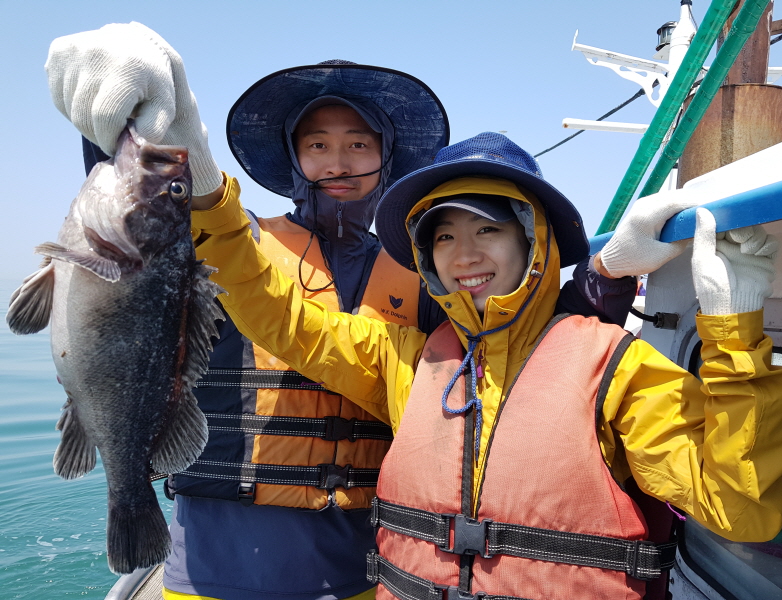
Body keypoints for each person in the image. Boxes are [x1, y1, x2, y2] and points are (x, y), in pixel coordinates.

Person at [46, 23, 643, 600]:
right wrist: (116, 114)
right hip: (207, 569)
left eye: (359, 144)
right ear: (294, 159)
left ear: (387, 156)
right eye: (318, 145)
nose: (338, 162)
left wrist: (606, 276)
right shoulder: (240, 242)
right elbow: (139, 243)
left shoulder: (431, 273)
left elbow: (523, 354)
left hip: (357, 574)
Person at [181, 130, 782, 600]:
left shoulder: (614, 366)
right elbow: (277, 312)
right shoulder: (406, 359)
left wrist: (734, 331)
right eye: (442, 236)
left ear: (533, 240)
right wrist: (206, 189)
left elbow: (737, 507)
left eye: (487, 230)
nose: (463, 255)